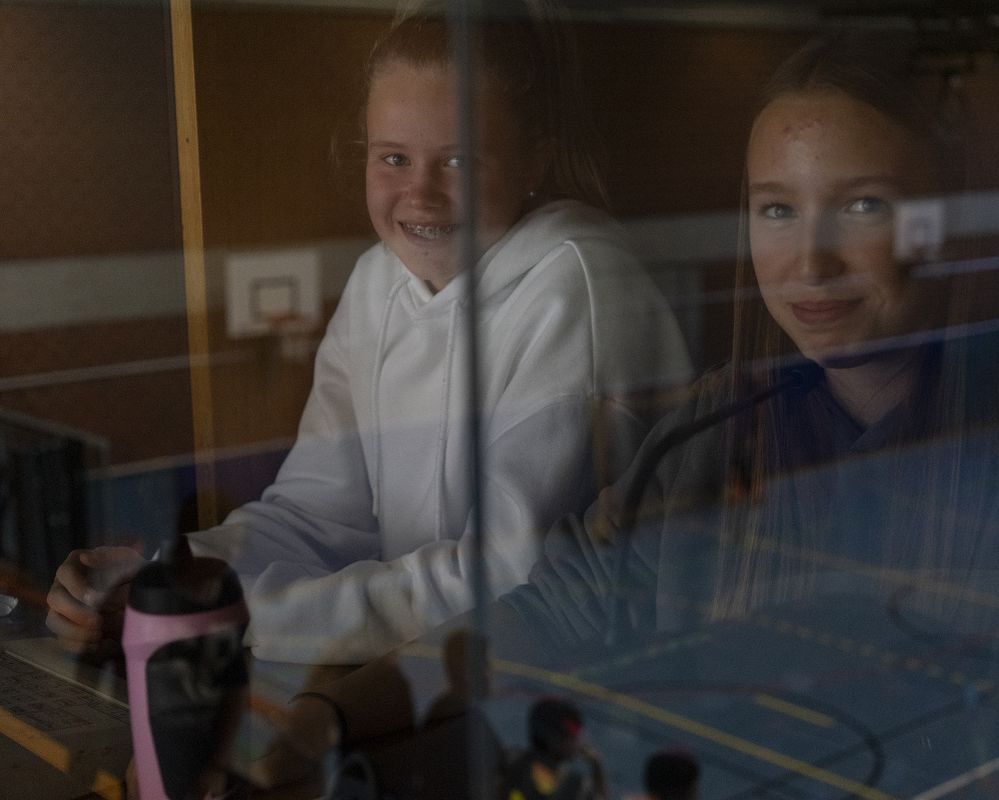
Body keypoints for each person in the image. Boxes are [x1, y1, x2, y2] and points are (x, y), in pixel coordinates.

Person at [252, 32, 999, 792]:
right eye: (776, 211)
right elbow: (542, 616)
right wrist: (329, 717)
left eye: (864, 206)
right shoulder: (714, 434)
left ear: (949, 224)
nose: (810, 262)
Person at [43, 0, 691, 664]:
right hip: (417, 674)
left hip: (558, 683)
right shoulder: (377, 279)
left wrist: (232, 612)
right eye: (394, 158)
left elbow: (506, 579)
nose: (421, 195)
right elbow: (318, 515)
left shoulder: (579, 290)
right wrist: (167, 578)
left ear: (533, 163)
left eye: (459, 161)